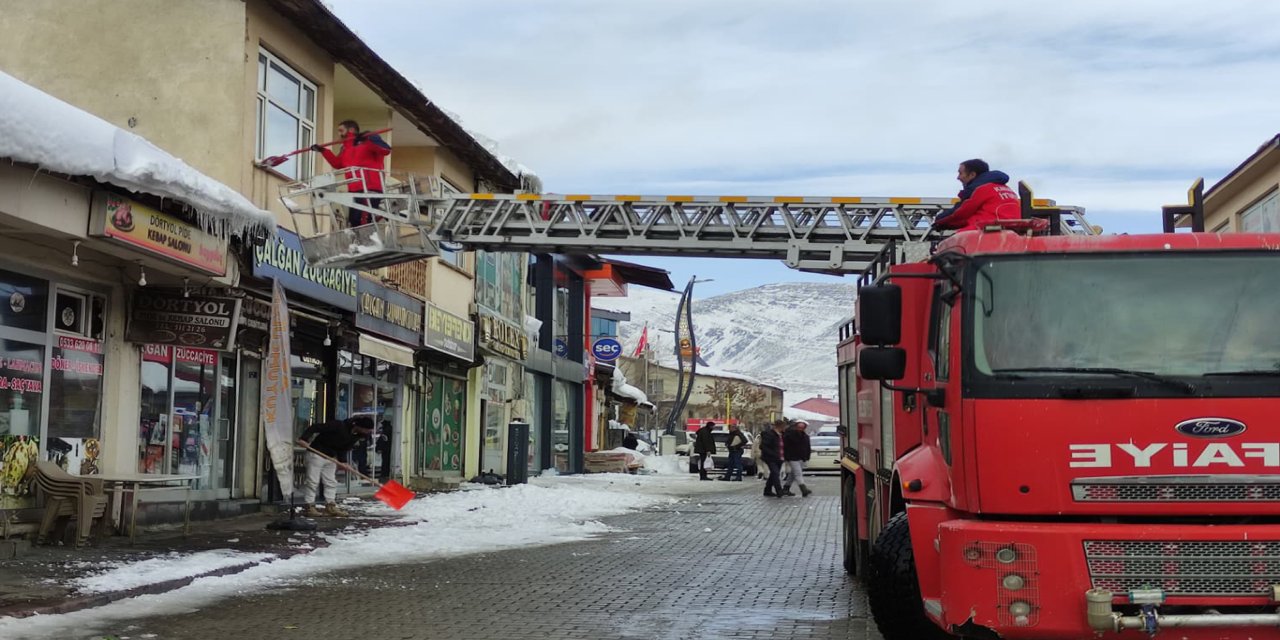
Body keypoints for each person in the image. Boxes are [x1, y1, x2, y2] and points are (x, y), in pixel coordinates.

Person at [313, 120, 392, 228]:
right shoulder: (346, 148)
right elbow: (337, 164)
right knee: (354, 220)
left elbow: (386, 150)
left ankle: (367, 241)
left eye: (341, 130)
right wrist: (323, 151)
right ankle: (362, 240)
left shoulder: (367, 141)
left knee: (363, 220)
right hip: (354, 188)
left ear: (351, 130)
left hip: (370, 186)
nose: (339, 134)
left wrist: (371, 138)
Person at [296, 416, 375, 517]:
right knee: (313, 481)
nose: (368, 432)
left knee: (331, 482)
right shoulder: (338, 425)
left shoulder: (357, 435)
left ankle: (330, 505)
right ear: (360, 426)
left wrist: (343, 462)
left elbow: (343, 448)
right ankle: (309, 506)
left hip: (331, 457)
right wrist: (304, 439)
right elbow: (314, 428)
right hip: (316, 454)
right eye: (367, 430)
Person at [933, 158, 1020, 232]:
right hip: (1012, 229)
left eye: (960, 173)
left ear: (972, 175)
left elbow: (960, 213)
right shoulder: (1008, 189)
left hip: (989, 229)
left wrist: (938, 221)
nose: (958, 177)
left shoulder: (980, 189)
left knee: (951, 244)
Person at [782, 420, 813, 497]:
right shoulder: (790, 435)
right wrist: (787, 456)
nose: (800, 429)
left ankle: (786, 488)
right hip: (792, 457)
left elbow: (807, 447)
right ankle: (803, 489)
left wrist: (807, 456)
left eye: (802, 427)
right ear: (796, 427)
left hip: (801, 457)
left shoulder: (805, 436)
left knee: (793, 474)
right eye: (799, 427)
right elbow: (786, 447)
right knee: (798, 473)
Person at [758, 420, 787, 498]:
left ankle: (767, 490)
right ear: (779, 427)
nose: (785, 428)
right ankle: (779, 491)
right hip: (771, 458)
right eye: (783, 427)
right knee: (775, 473)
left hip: (780, 458)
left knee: (773, 474)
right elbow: (763, 446)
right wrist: (773, 454)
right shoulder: (770, 434)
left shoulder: (782, 435)